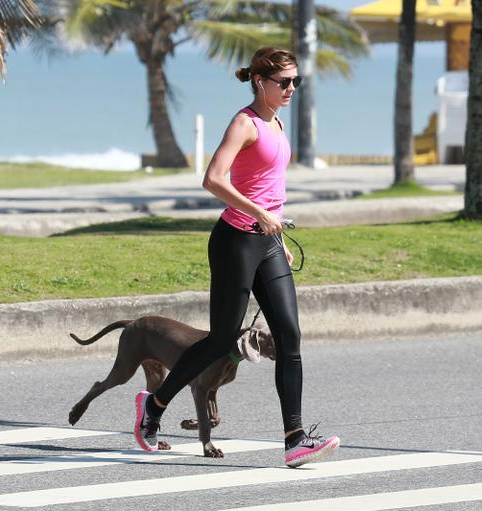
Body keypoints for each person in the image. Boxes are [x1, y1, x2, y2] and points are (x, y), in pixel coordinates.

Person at [134, 47, 340, 468]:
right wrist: (259, 213)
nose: (291, 89)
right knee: (221, 340)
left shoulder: (277, 122)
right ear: (259, 82)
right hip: (235, 241)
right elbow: (212, 179)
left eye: (295, 81)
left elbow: (268, 184)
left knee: (289, 337)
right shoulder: (244, 124)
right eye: (284, 82)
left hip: (267, 241)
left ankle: (294, 439)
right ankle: (153, 407)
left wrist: (275, 227)